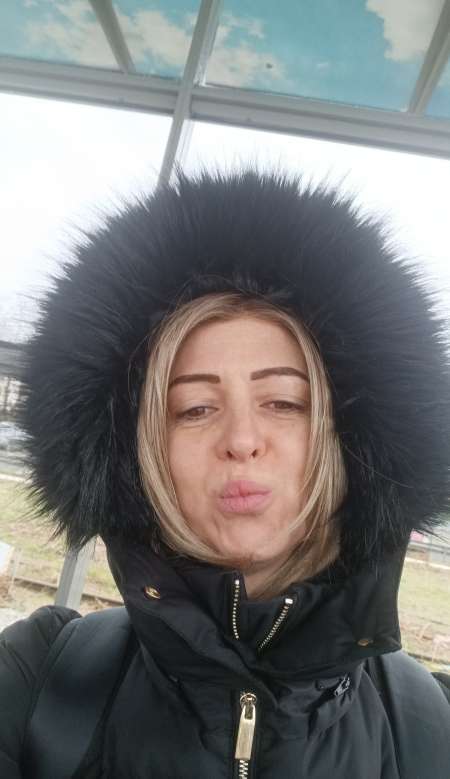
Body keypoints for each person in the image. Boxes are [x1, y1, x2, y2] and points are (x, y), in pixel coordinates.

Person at [0, 167, 449, 778]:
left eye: (284, 402)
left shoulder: (429, 732)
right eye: (194, 409)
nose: (240, 441)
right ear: (141, 453)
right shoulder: (35, 678)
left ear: (347, 439)